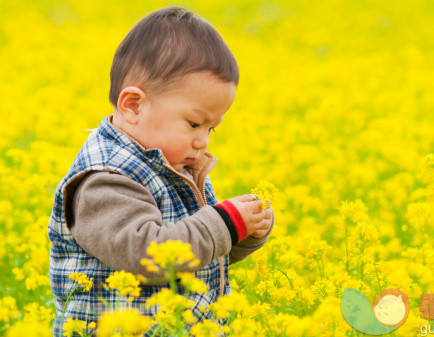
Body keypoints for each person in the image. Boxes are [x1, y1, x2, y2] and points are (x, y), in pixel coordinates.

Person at [48, 6, 274, 335]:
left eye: (212, 129)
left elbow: (195, 256)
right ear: (133, 106)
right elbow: (152, 255)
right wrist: (224, 222)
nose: (202, 142)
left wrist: (241, 233)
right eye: (195, 123)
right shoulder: (105, 179)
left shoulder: (175, 165)